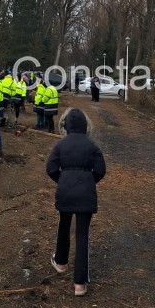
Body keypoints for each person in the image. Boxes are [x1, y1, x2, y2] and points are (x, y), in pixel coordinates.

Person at [46, 108, 107, 297]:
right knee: (82, 234)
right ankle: (79, 284)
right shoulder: (92, 146)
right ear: (86, 125)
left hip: (65, 192)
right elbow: (101, 170)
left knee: (63, 225)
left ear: (66, 125)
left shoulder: (60, 145)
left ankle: (61, 263)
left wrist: (63, 181)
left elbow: (51, 168)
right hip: (86, 194)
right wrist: (89, 182)